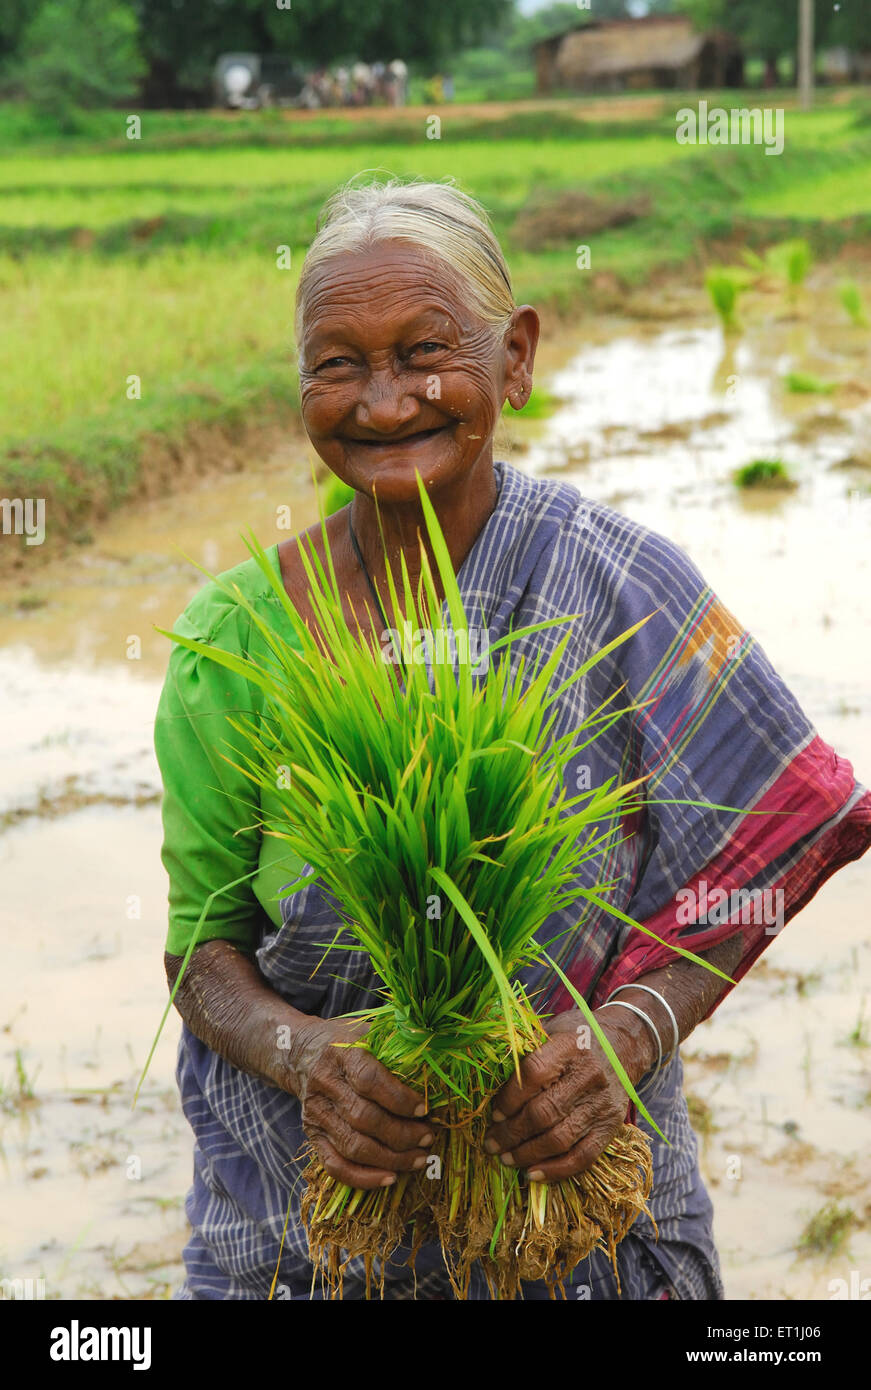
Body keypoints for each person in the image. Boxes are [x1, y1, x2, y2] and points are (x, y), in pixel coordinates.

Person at [155, 178, 871, 1300]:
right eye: (336, 363)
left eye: (425, 352)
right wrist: (305, 1053)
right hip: (315, 1244)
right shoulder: (232, 645)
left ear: (517, 357)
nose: (384, 403)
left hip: (586, 1231)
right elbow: (202, 955)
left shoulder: (618, 585)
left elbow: (782, 830)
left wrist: (628, 1032)